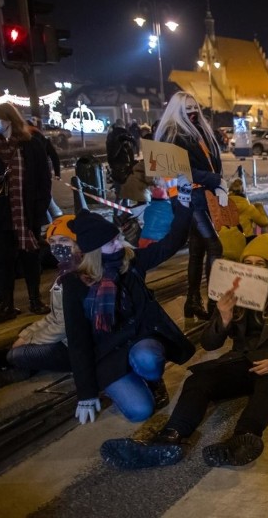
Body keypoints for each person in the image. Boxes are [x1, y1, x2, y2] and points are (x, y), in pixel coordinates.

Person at [100, 234, 268, 469]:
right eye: (249, 264)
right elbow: (210, 344)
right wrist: (223, 319)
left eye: (261, 265)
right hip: (242, 360)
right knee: (198, 381)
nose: (254, 270)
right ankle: (169, 438)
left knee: (267, 388)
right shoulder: (235, 293)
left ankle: (243, 439)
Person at [61, 177, 195, 425]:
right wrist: (86, 395)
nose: (120, 243)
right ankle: (126, 382)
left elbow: (171, 244)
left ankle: (151, 379)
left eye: (118, 237)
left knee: (148, 358)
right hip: (108, 353)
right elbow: (78, 341)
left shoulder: (130, 262)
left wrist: (184, 203)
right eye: (112, 242)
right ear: (94, 252)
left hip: (140, 341)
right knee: (140, 412)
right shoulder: (75, 284)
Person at [155, 91, 226, 321]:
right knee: (215, 246)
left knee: (198, 250)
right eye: (188, 108)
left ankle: (192, 301)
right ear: (177, 110)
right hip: (189, 197)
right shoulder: (173, 133)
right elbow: (178, 169)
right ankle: (214, 303)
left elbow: (210, 162)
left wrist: (218, 184)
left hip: (202, 195)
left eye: (195, 106)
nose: (193, 111)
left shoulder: (198, 132)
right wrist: (216, 180)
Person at [0, 216, 79, 388]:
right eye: (53, 241)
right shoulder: (65, 270)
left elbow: (64, 325)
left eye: (64, 240)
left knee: (16, 355)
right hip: (66, 336)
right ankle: (27, 361)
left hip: (76, 347)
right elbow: (54, 316)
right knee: (22, 332)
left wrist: (31, 339)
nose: (58, 246)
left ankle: (26, 367)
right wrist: (26, 335)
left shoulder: (77, 275)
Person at [0, 103, 53, 319]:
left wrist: (39, 208)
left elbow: (43, 179)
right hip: (2, 215)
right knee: (3, 261)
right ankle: (6, 304)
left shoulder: (31, 145)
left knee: (31, 258)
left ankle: (35, 300)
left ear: (9, 120)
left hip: (26, 213)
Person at [228, 178, 268, 242]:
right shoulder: (248, 208)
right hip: (243, 245)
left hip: (224, 246)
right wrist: (260, 207)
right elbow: (264, 222)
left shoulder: (222, 206)